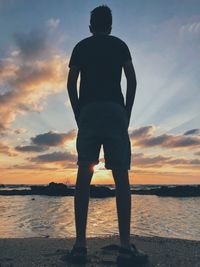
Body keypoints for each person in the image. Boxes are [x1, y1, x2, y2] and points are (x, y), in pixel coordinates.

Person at [67, 5, 148, 266]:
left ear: (91, 26)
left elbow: (71, 83)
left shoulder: (81, 46)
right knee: (121, 175)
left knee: (84, 174)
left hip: (89, 110)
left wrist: (79, 112)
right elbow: (132, 80)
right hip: (115, 110)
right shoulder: (120, 45)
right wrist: (127, 112)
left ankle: (80, 245)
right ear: (110, 26)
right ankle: (125, 246)